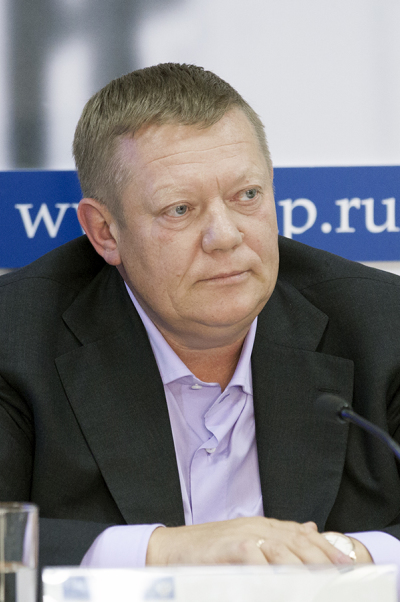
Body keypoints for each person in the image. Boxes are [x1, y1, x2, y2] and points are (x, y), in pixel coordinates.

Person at [1, 64, 400, 575]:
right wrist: (167, 552)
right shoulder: (16, 336)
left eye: (247, 196)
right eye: (180, 210)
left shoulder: (382, 325)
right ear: (104, 232)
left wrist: (340, 558)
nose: (226, 236)